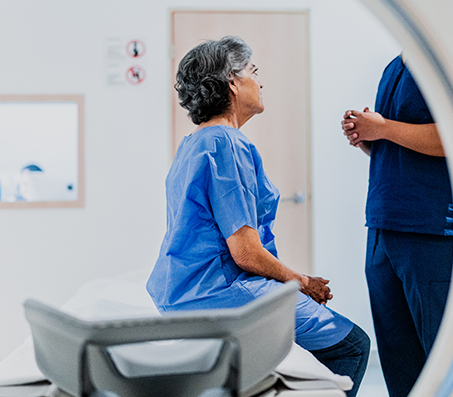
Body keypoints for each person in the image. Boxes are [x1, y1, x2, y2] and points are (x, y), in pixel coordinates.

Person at [147, 36, 370, 397]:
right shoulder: (227, 144)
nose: (260, 81)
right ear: (232, 82)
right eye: (253, 71)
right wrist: (301, 282)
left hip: (180, 293)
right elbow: (245, 253)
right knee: (353, 345)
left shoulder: (194, 143)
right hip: (220, 293)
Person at [341, 53, 453, 397]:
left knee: (440, 359)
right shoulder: (394, 66)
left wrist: (384, 128)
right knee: (398, 359)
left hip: (428, 230)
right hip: (382, 225)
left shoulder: (444, 59)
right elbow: (396, 146)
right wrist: (369, 138)